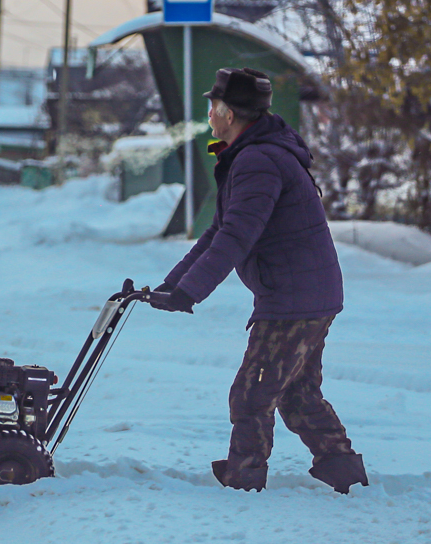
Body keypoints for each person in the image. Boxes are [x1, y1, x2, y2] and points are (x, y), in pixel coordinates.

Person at [147, 67, 367, 494]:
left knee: (251, 394)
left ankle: (244, 479)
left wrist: (191, 292)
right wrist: (173, 285)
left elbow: (235, 237)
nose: (209, 115)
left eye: (214, 107)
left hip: (293, 297)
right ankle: (343, 470)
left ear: (229, 113)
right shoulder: (252, 154)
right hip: (306, 292)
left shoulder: (257, 161)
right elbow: (218, 231)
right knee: (298, 393)